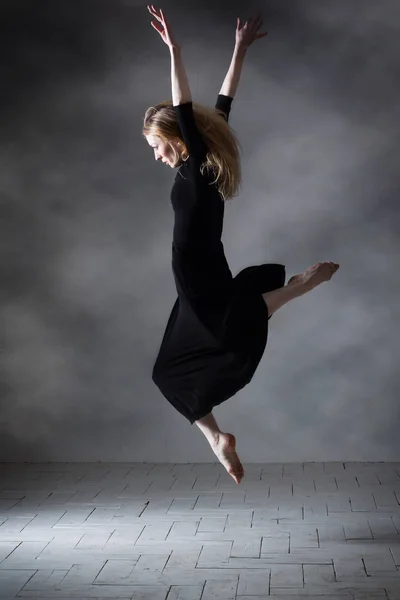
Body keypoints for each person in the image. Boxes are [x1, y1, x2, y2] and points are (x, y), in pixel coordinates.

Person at [143, 5, 339, 484]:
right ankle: (216, 439)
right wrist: (239, 49)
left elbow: (187, 106)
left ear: (176, 137)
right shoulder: (205, 164)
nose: (156, 155)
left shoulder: (199, 163)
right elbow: (222, 104)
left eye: (157, 144)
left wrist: (175, 51)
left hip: (194, 270)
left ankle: (297, 288)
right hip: (197, 269)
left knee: (228, 327)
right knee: (168, 372)